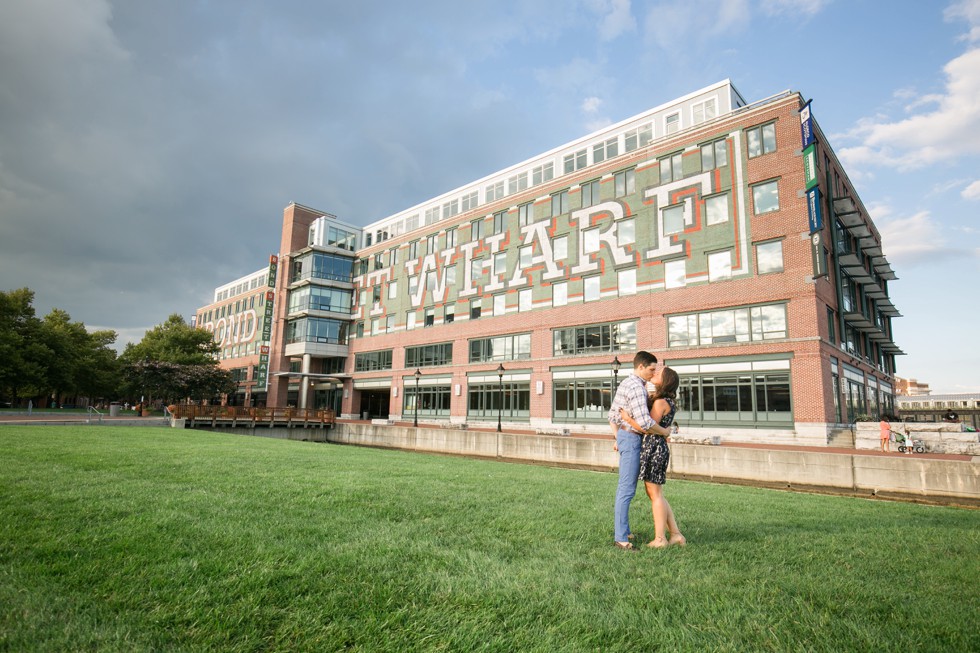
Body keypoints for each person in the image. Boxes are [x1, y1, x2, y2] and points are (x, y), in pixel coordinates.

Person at [607, 351, 671, 550]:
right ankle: (621, 539)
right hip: (632, 438)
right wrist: (664, 431)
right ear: (641, 367)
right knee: (626, 489)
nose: (654, 373)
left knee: (627, 489)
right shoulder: (635, 387)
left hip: (629, 437)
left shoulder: (631, 383)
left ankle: (624, 530)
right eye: (652, 369)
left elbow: (611, 415)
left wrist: (619, 436)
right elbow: (645, 423)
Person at [620, 367, 686, 549]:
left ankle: (660, 539)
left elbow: (646, 427)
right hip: (658, 447)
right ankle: (675, 534)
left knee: (655, 495)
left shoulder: (660, 403)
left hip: (654, 448)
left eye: (659, 374)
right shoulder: (667, 401)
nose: (654, 373)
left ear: (665, 381)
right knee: (656, 494)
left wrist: (627, 418)